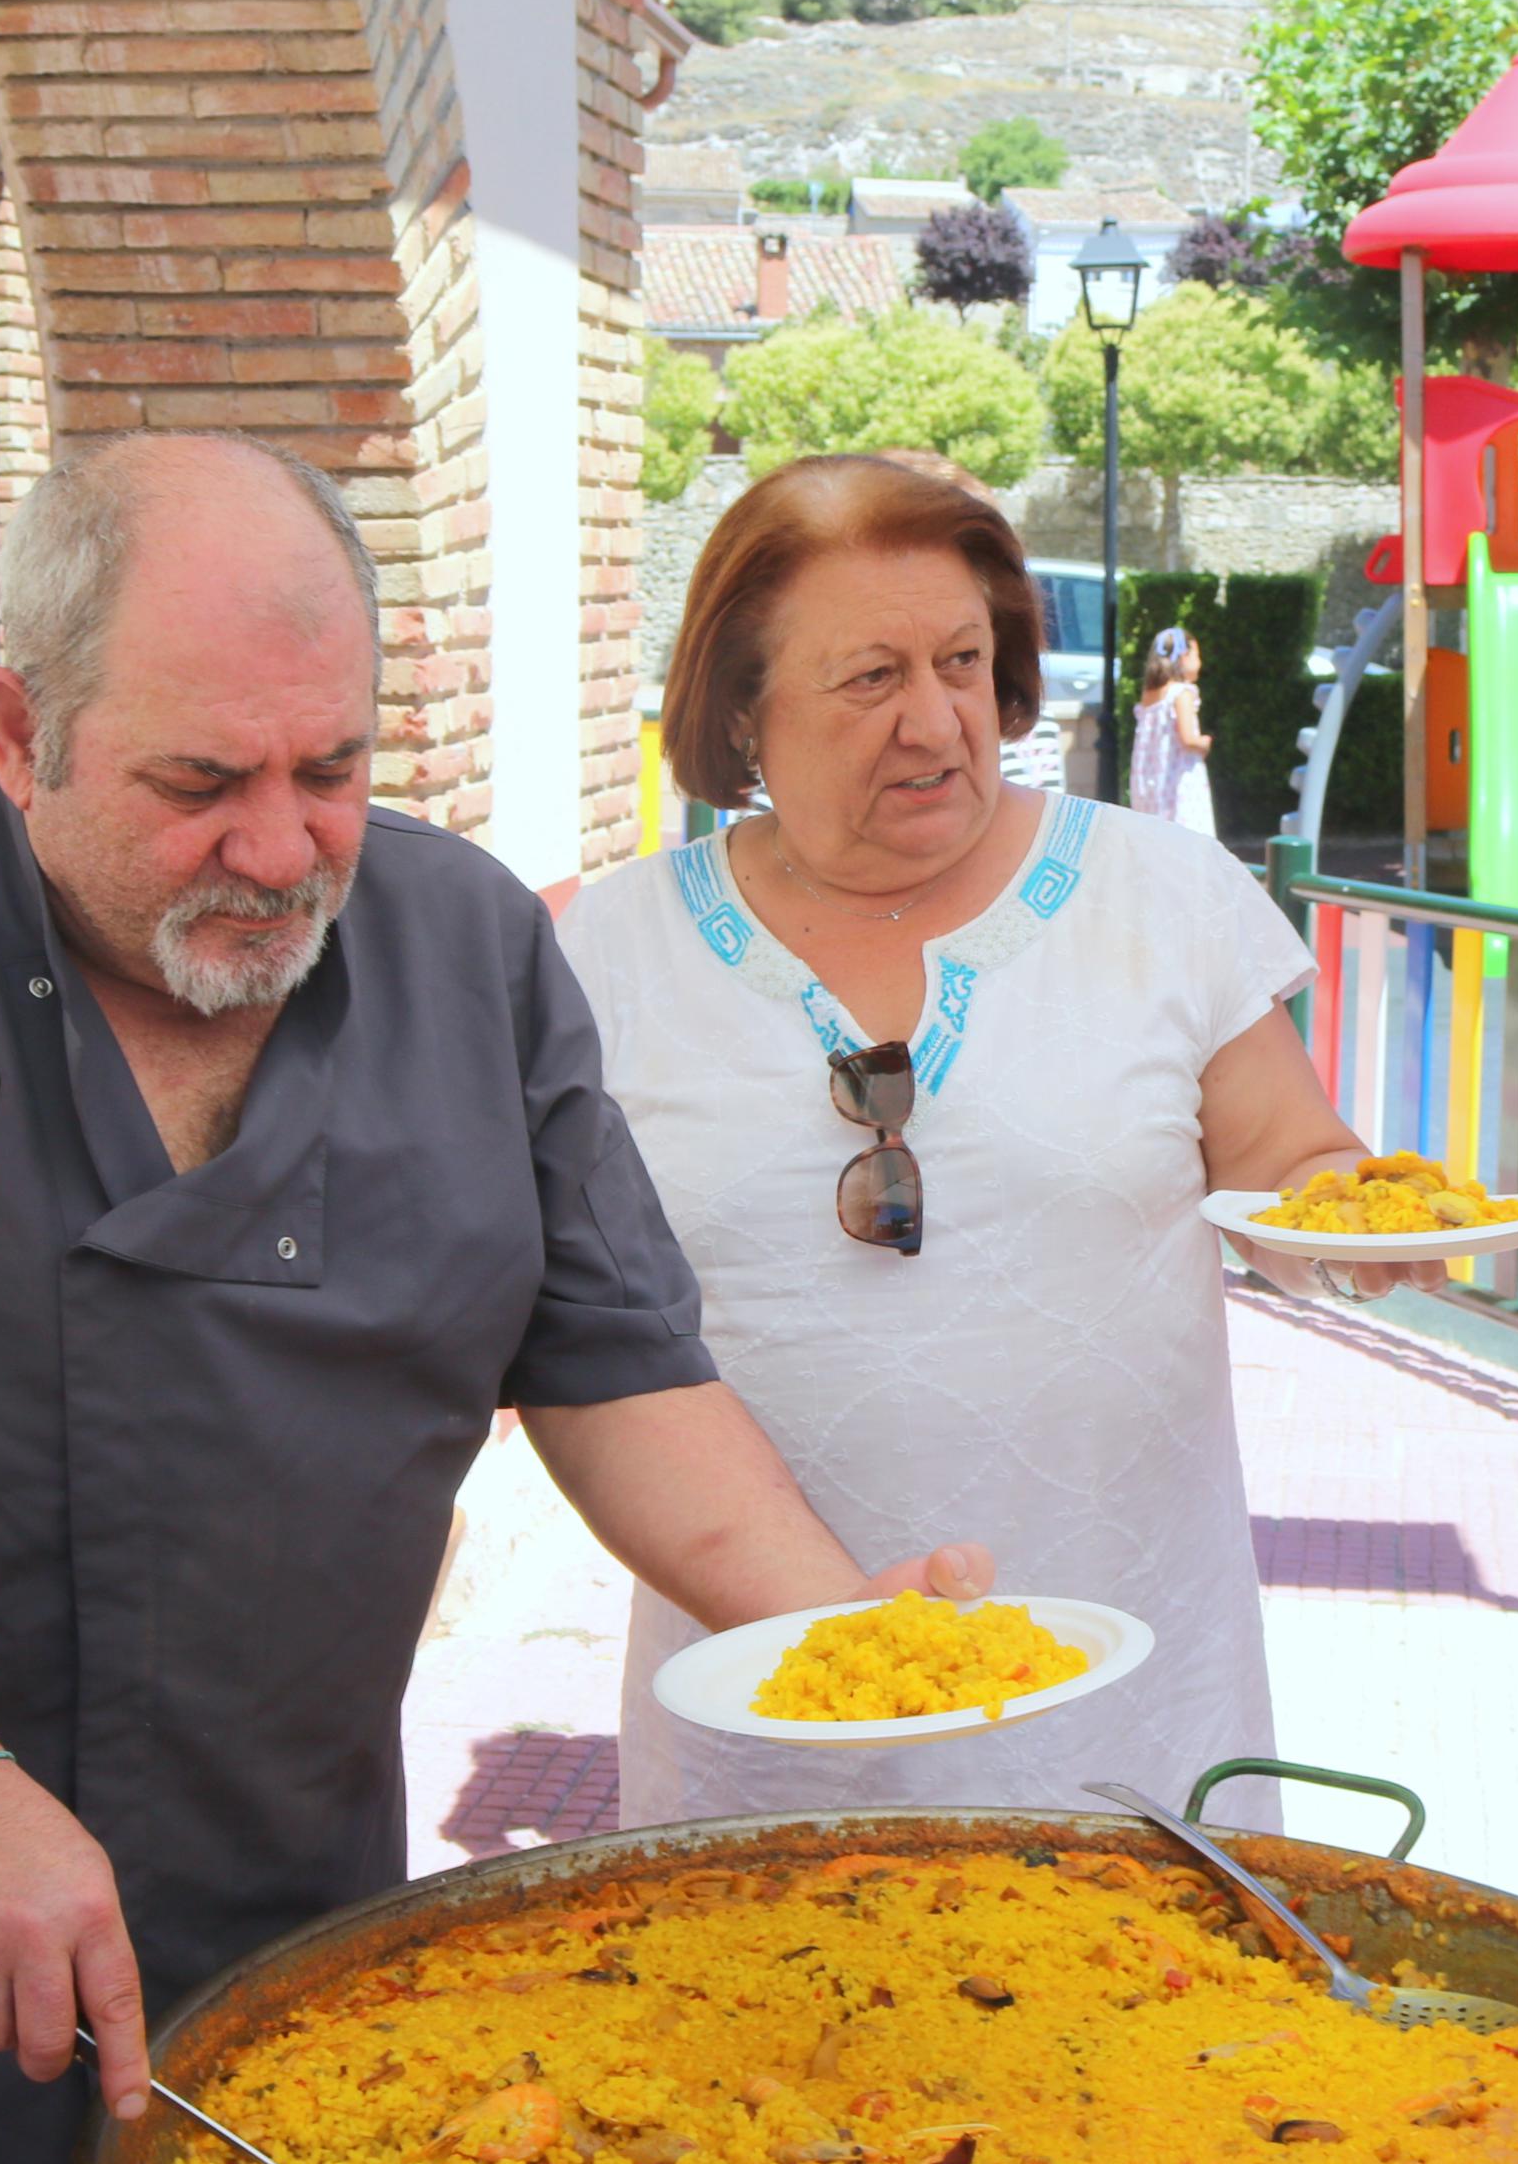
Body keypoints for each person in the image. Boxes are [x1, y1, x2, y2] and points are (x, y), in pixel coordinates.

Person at [0, 430, 992, 2164]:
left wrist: (851, 1644)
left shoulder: (462, 946)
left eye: (328, 771)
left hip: (314, 1970)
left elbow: (618, 1366)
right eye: (194, 783)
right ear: (10, 728)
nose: (277, 846)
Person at [561, 454, 1413, 1831]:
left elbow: (1285, 1155)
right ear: (738, 708)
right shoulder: (605, 951)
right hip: (771, 1721)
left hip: (1126, 1715)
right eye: (866, 677)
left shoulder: (1162, 894)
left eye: (961, 660)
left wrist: (1356, 1212)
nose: (933, 719)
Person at [1128, 624, 1220, 832]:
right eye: (1197, 655)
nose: (1200, 662)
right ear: (1184, 656)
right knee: (1189, 838)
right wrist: (1204, 742)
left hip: (1152, 786)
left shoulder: (1149, 697)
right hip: (1179, 786)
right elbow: (1188, 739)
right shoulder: (1182, 693)